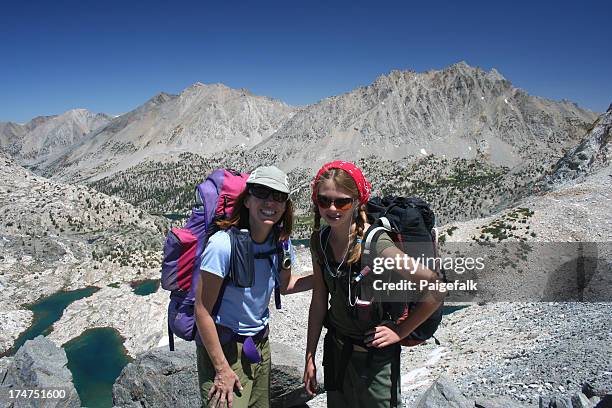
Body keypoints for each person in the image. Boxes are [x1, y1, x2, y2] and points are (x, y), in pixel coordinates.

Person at [303, 161, 444, 407]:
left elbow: (437, 288)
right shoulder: (320, 241)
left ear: (357, 202)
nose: (332, 208)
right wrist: (310, 356)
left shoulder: (376, 245)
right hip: (336, 353)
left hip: (375, 362)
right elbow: (318, 301)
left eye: (342, 201)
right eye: (324, 201)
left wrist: (400, 331)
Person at [194, 165, 313, 408]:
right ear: (247, 199)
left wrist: (327, 278)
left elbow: (286, 284)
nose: (271, 202)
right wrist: (222, 369)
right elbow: (202, 311)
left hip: (260, 346)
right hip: (225, 348)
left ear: (285, 206)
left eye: (278, 196)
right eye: (262, 193)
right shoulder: (222, 245)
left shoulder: (280, 244)